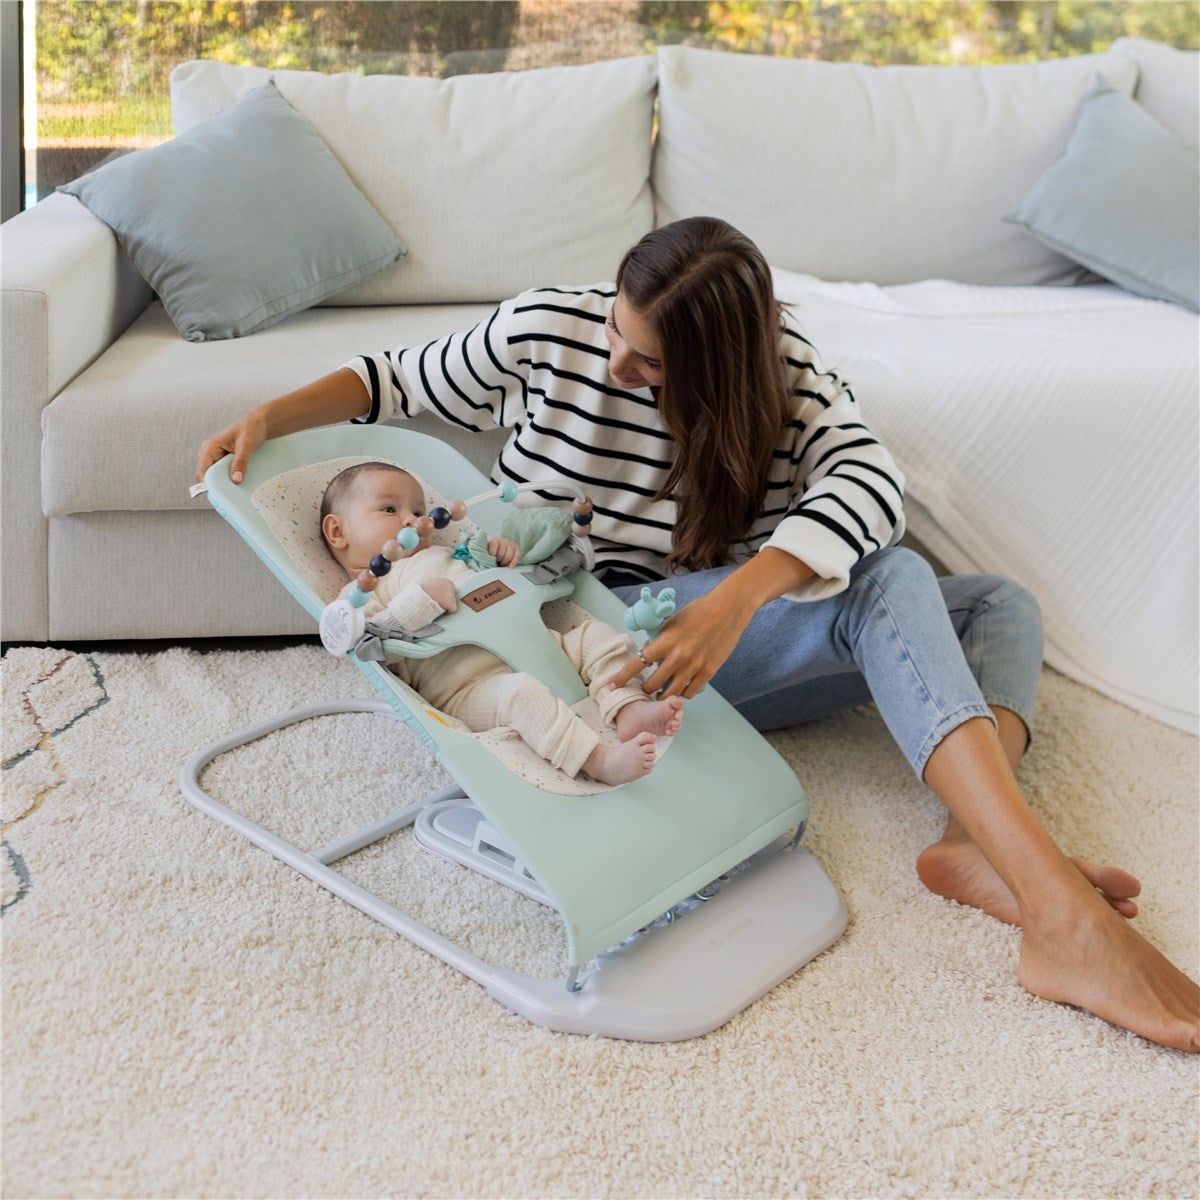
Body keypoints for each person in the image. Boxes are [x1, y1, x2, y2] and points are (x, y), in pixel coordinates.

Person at [198, 216, 1199, 1053]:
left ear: (726, 367)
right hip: (582, 637)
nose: (614, 358)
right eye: (618, 332)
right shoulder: (553, 324)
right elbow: (390, 379)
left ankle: (969, 842)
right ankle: (1056, 911)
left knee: (995, 607)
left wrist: (741, 597)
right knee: (892, 586)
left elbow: (871, 484)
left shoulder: (788, 379)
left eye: (648, 361)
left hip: (705, 636)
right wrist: (270, 416)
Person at [320, 460, 683, 786]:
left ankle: (628, 705)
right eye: (389, 509)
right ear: (338, 532)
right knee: (520, 693)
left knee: (598, 637)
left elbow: (500, 585)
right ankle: (596, 759)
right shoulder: (358, 595)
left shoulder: (448, 553)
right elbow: (372, 642)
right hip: (471, 686)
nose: (412, 520)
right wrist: (421, 601)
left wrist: (499, 556)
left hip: (538, 644)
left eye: (419, 510)